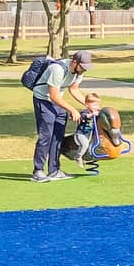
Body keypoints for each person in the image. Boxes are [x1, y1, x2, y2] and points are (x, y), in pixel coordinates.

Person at [32, 49, 92, 182]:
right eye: (82, 67)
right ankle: (38, 171)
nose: (84, 70)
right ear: (74, 62)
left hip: (58, 101)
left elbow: (74, 89)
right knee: (46, 136)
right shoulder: (57, 69)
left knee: (58, 137)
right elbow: (53, 95)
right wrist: (72, 109)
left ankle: (54, 170)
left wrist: (89, 105)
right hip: (43, 100)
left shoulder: (78, 72)